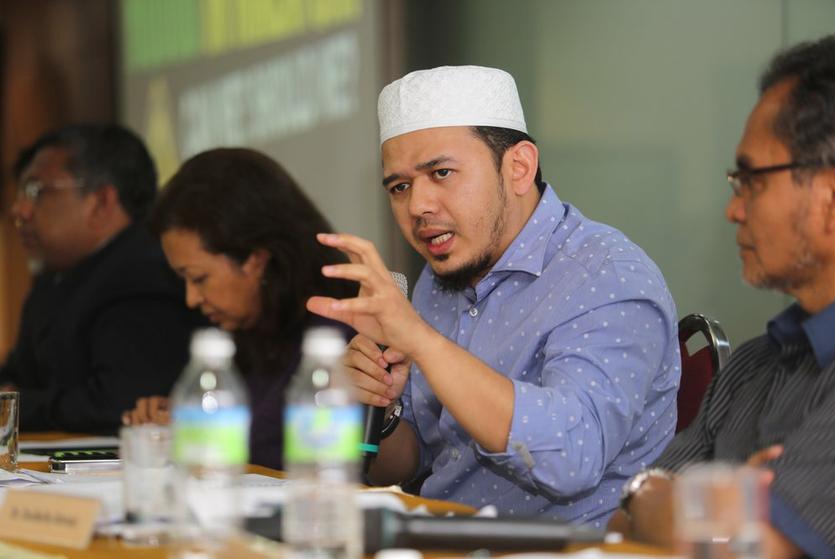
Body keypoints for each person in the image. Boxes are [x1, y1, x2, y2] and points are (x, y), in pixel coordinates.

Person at [306, 65, 680, 527]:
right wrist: (375, 407)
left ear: (518, 167)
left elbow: (572, 461)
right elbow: (414, 459)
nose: (418, 206)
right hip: (445, 538)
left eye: (441, 172)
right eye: (400, 186)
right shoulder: (441, 275)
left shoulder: (608, 277)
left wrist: (421, 341)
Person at [608, 36, 835, 558]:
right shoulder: (754, 364)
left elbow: (748, 549)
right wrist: (662, 496)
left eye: (751, 181)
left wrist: (675, 504)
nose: (733, 210)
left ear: (832, 197)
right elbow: (623, 522)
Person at [122, 148, 356, 470]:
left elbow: (276, 449)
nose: (191, 299)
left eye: (198, 278)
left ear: (255, 260)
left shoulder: (338, 333)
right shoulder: (248, 329)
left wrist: (195, 433)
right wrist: (181, 414)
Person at [0, 123, 204, 433]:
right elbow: (17, 374)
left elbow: (118, 403)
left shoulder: (145, 272)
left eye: (36, 191)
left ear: (102, 202)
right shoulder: (53, 276)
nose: (20, 210)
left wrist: (17, 404)